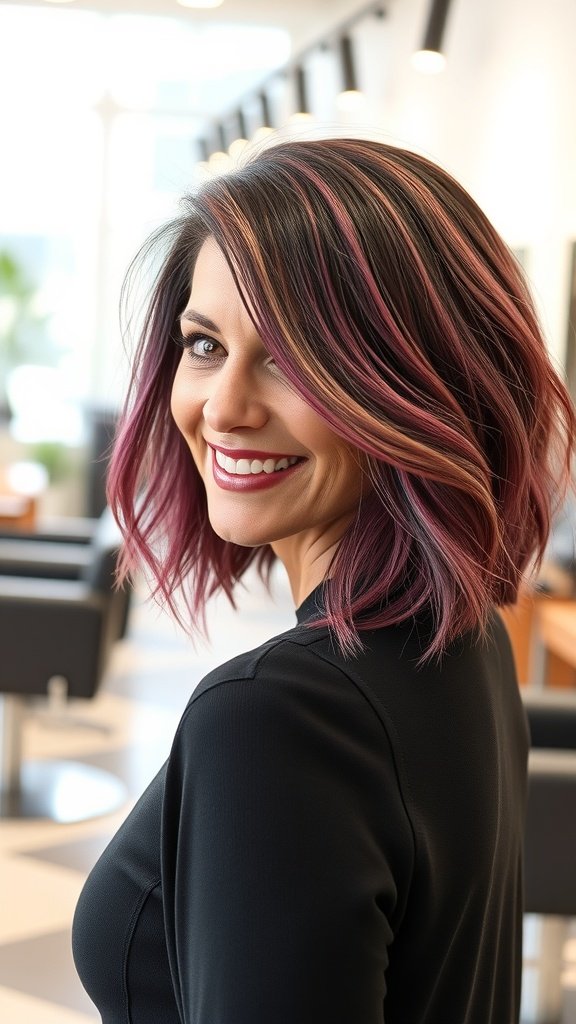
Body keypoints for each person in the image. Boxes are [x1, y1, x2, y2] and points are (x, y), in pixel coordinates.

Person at [72, 137, 575, 1024]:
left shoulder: (279, 717)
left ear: (416, 382)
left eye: (291, 358)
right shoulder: (462, 637)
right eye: (203, 344)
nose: (223, 408)